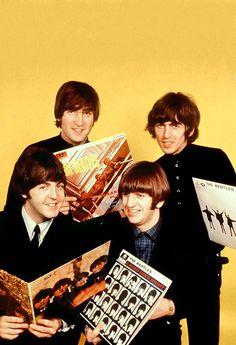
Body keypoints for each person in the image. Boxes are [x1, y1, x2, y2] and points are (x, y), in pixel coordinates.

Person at [145, 91, 236, 345]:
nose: (166, 134)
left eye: (175, 125)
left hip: (204, 269)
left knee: (205, 338)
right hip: (163, 270)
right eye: (160, 125)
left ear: (189, 128)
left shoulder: (214, 158)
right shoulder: (154, 169)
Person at [85, 161, 181, 345]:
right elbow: (88, 290)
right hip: (108, 337)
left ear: (160, 200)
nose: (129, 203)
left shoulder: (181, 238)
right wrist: (88, 327)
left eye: (139, 195)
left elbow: (202, 293)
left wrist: (170, 306)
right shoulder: (109, 233)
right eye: (126, 194)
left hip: (160, 339)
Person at [0, 147, 85, 345]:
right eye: (44, 187)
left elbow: (85, 301)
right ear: (23, 191)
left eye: (59, 186)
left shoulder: (78, 234)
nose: (55, 196)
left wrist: (61, 323)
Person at [5, 80, 100, 214]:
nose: (80, 122)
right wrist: (50, 209)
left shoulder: (103, 154)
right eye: (72, 112)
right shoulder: (34, 153)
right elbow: (11, 210)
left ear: (94, 118)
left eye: (87, 113)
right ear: (59, 115)